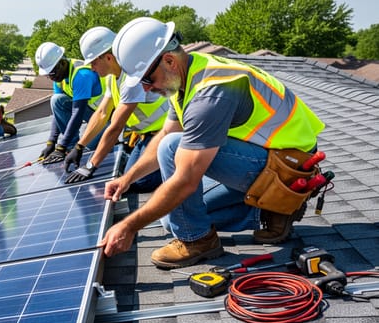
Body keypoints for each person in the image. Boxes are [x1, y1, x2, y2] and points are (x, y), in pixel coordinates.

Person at [99, 17, 325, 268]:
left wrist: (128, 226)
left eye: (147, 80)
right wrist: (127, 178)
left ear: (169, 61)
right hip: (265, 158)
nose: (147, 89)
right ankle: (272, 209)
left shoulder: (212, 93)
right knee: (174, 219)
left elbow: (185, 180)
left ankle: (198, 241)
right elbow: (164, 133)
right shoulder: (186, 77)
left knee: (174, 152)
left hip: (290, 166)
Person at [62, 25, 168, 193]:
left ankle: (176, 163)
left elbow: (115, 127)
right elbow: (101, 113)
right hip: (146, 136)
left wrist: (91, 166)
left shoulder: (131, 80)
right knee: (129, 175)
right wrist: (79, 146)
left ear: (108, 58)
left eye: (94, 62)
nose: (92, 68)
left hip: (167, 134)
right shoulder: (113, 78)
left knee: (138, 182)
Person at [34, 41, 105, 164]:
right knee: (56, 100)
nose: (51, 78)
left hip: (105, 118)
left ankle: (76, 145)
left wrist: (62, 146)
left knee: (87, 150)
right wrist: (51, 142)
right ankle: (71, 145)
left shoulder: (81, 75)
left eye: (52, 73)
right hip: (92, 113)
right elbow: (58, 111)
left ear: (62, 63)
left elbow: (77, 112)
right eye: (47, 75)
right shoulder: (59, 78)